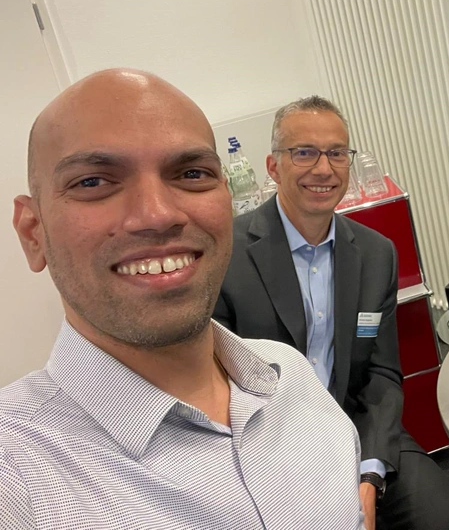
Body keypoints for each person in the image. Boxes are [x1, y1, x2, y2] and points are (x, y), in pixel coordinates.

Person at [1, 70, 364, 529]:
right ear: (33, 233)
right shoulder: (17, 477)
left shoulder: (291, 379)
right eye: (92, 182)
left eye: (192, 174)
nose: (157, 215)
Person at [215, 97, 449, 530]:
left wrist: (369, 474)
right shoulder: (226, 255)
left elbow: (381, 374)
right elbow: (214, 387)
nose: (324, 169)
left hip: (356, 427)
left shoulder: (376, 254)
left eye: (337, 153)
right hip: (265, 444)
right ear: (273, 166)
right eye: (305, 152)